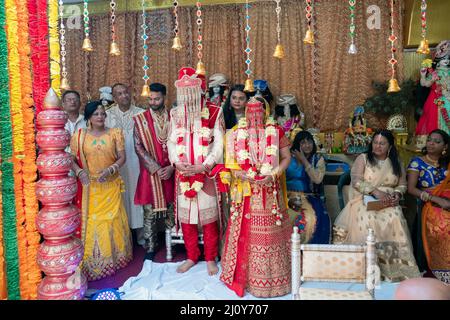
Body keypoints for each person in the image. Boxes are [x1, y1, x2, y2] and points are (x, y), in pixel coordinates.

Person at [220, 96, 292, 298]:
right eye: (250, 111)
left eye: (258, 110)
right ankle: (247, 279)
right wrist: (238, 173)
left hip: (270, 192)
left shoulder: (276, 131)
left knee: (269, 233)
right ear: (245, 112)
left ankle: (273, 280)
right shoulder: (235, 133)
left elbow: (287, 157)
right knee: (246, 233)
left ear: (265, 111)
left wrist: (274, 173)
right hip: (246, 192)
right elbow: (230, 163)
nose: (254, 115)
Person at [333, 129, 420, 282]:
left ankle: (394, 269)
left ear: (390, 146)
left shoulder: (396, 162)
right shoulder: (363, 158)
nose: (377, 146)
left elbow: (402, 184)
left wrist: (397, 194)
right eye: (375, 142)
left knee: (395, 216)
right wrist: (375, 191)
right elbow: (356, 181)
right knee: (368, 219)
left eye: (382, 143)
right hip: (366, 199)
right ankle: (368, 268)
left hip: (389, 202)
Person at [167, 67, 225, 276]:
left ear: (199, 91)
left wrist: (205, 165)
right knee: (187, 218)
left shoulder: (214, 111)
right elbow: (171, 142)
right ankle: (192, 256)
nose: (187, 99)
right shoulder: (175, 113)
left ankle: (210, 257)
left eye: (190, 94)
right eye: (183, 95)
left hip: (205, 173)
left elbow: (219, 143)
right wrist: (176, 162)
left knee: (209, 218)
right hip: (183, 173)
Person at [70, 100, 132, 281]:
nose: (100, 117)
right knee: (93, 222)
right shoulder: (79, 136)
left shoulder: (115, 133)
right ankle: (94, 261)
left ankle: (115, 258)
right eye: (96, 114)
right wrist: (79, 171)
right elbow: (72, 159)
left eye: (103, 113)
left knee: (112, 220)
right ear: (89, 117)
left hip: (110, 185)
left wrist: (111, 169)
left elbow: (122, 157)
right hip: (90, 188)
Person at [133, 83, 175, 261]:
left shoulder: (175, 117)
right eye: (150, 99)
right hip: (150, 174)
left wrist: (173, 166)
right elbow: (138, 147)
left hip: (172, 171)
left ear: (164, 97)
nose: (153, 102)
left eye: (156, 98)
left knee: (172, 210)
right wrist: (156, 168)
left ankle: (173, 244)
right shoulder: (140, 119)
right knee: (149, 212)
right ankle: (150, 247)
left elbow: (181, 143)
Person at [407, 129, 450, 283]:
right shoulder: (417, 162)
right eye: (430, 140)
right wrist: (436, 199)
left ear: (445, 146)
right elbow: (411, 189)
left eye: (436, 141)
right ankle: (442, 271)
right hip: (430, 204)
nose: (431, 143)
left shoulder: (447, 163)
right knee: (444, 224)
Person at [106, 83, 145, 246]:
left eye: (126, 92)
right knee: (120, 198)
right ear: (114, 98)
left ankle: (142, 236)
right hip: (116, 165)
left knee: (139, 197)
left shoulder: (141, 114)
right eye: (119, 94)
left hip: (138, 163)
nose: (124, 96)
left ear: (131, 93)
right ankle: (123, 238)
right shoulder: (107, 115)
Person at [286, 130, 330, 244]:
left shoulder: (318, 159)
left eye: (309, 142)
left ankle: (306, 250)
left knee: (310, 219)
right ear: (297, 144)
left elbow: (317, 179)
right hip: (287, 196)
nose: (307, 145)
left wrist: (304, 161)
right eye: (303, 143)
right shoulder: (288, 158)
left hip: (309, 196)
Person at [415, 40, 450, 136]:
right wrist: (423, 75)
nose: (447, 61)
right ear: (438, 60)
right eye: (444, 58)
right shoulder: (435, 72)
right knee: (436, 122)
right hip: (436, 100)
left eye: (448, 58)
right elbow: (425, 84)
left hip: (448, 99)